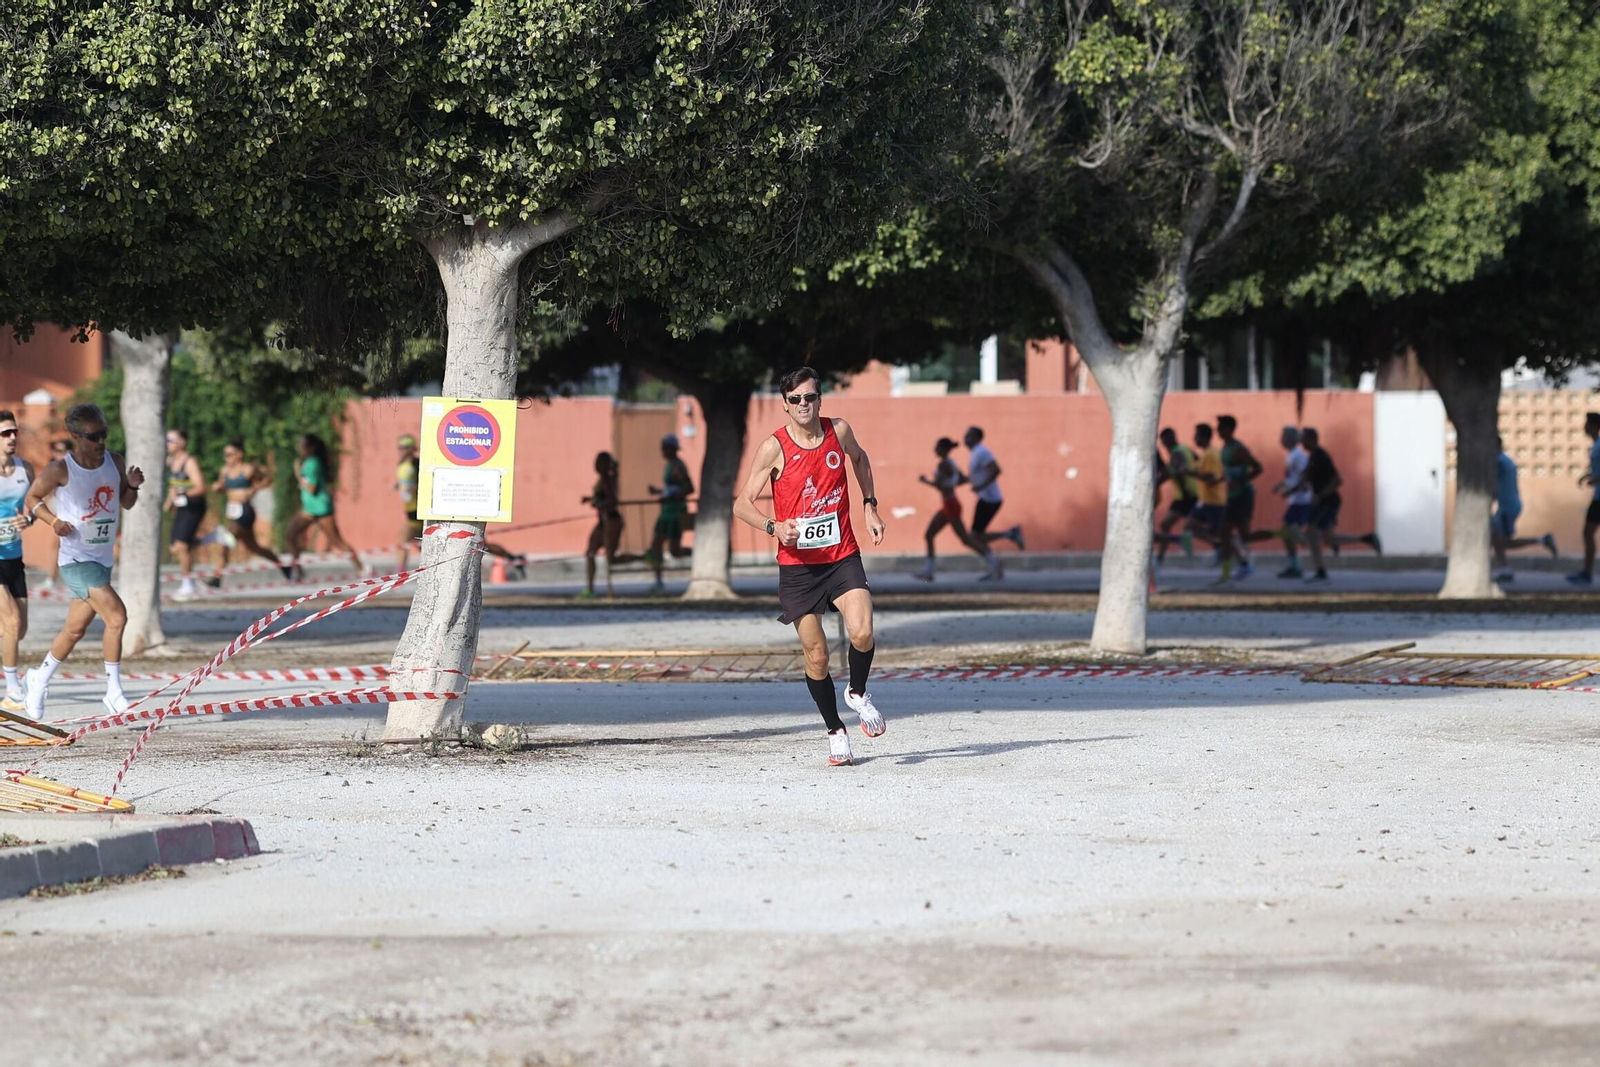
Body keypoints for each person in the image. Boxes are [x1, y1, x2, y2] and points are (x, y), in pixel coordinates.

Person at [733, 367, 886, 767]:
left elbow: (861, 459)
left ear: (820, 399)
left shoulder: (839, 430)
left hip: (841, 556)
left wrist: (870, 506)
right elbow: (741, 503)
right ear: (785, 404)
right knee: (816, 655)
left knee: (863, 630)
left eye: (811, 397)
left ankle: (857, 690)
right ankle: (836, 729)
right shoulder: (774, 447)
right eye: (796, 399)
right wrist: (773, 526)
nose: (805, 405)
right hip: (799, 566)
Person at [19, 403, 144, 719]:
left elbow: (126, 503)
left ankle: (38, 678)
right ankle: (113, 692)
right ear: (76, 436)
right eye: (93, 436)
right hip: (75, 560)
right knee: (117, 616)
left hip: (101, 559)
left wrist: (131, 485)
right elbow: (32, 499)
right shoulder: (60, 469)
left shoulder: (114, 462)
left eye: (104, 433)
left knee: (74, 631)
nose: (101, 441)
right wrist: (53, 521)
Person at [1300, 427, 1382, 584]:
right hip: (1324, 501)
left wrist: (1320, 495)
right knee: (1329, 538)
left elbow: (1337, 480)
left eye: (1303, 438)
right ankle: (1367, 538)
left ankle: (1321, 571)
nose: (1301, 442)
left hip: (1327, 502)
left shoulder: (1320, 455)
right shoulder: (1313, 457)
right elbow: (1309, 477)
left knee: (1311, 532)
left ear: (1311, 439)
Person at [286, 434, 367, 582]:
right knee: (291, 535)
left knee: (337, 541)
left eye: (303, 445)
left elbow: (311, 488)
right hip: (309, 508)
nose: (300, 448)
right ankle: (297, 572)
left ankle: (362, 569)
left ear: (311, 448)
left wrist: (298, 475)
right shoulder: (309, 462)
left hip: (321, 508)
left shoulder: (313, 463)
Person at [210, 440, 292, 579]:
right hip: (233, 511)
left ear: (239, 454)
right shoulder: (224, 471)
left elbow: (267, 479)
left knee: (226, 539)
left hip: (246, 511)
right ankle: (283, 566)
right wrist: (218, 487)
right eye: (225, 455)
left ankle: (217, 578)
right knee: (254, 547)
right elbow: (223, 486)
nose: (227, 458)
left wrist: (253, 489)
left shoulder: (248, 469)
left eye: (230, 454)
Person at [913, 437, 987, 581]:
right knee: (929, 535)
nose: (935, 449)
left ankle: (993, 561)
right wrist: (950, 483)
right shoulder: (951, 463)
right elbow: (963, 479)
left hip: (951, 505)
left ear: (943, 449)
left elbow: (940, 486)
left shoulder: (943, 465)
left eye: (937, 447)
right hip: (950, 504)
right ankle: (929, 572)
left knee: (965, 539)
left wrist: (926, 481)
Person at [0, 412, 35, 712]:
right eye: (4, 433)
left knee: (19, 628)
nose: (12, 438)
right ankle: (12, 690)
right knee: (10, 622)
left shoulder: (26, 469)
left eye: (14, 432)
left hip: (13, 556)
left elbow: (37, 502)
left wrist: (30, 518)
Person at [1491, 436, 1557, 582]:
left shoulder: (1499, 462)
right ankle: (1504, 568)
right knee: (1495, 538)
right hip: (1509, 505)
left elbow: (1494, 486)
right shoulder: (1505, 460)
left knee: (1502, 542)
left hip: (1507, 507)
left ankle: (1541, 540)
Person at [163, 428, 219, 599]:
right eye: (167, 439)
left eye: (172, 440)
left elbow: (200, 487)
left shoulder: (189, 461)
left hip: (194, 506)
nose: (168, 443)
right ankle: (211, 538)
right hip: (181, 506)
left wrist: (183, 495)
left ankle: (188, 585)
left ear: (182, 442)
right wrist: (168, 504)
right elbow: (174, 485)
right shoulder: (170, 460)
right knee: (175, 547)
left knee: (182, 546)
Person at [963, 426, 1023, 580]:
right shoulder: (975, 454)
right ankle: (995, 563)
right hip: (985, 498)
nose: (965, 438)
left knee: (974, 536)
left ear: (977, 437)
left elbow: (996, 470)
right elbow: (974, 476)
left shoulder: (982, 452)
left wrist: (982, 486)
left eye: (969, 435)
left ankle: (1008, 538)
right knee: (976, 536)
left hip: (990, 498)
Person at [643, 433, 694, 594]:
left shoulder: (678, 466)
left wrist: (670, 496)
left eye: (665, 447)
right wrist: (660, 492)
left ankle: (700, 555)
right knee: (656, 545)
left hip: (675, 512)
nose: (662, 451)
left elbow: (688, 487)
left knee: (674, 550)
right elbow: (672, 487)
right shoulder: (670, 465)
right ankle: (658, 581)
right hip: (667, 512)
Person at [1215, 415, 1263, 582]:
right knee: (1228, 533)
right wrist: (1219, 480)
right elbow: (1228, 472)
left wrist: (1241, 481)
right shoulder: (1225, 448)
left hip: (1243, 496)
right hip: (1232, 497)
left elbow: (1258, 468)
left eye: (1221, 427)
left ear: (1229, 429)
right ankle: (1229, 572)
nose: (1218, 430)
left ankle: (1284, 534)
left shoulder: (1238, 448)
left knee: (1240, 535)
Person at [580, 451, 624, 599]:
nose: (596, 465)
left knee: (611, 558)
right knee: (590, 552)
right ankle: (590, 588)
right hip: (602, 521)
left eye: (599, 462)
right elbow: (601, 496)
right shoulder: (602, 479)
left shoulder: (606, 479)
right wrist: (590, 499)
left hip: (611, 520)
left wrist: (599, 503)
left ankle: (642, 558)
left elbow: (612, 500)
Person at [1154, 428, 1200, 563]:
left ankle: (1220, 543)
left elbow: (1173, 473)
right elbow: (1197, 459)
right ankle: (1160, 558)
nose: (1165, 445)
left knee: (1195, 526)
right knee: (1165, 525)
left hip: (1187, 495)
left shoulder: (1176, 454)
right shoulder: (1184, 449)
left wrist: (1155, 483)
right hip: (1183, 496)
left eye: (1166, 442)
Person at [1568, 412, 1600, 586]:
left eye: (1587, 423)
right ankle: (1586, 572)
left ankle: (1587, 573)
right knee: (1587, 534)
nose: (1584, 427)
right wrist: (1587, 476)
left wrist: (1594, 479)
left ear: (1594, 425)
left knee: (1587, 533)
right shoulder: (1595, 445)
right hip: (1597, 497)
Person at [1190, 423, 1228, 559]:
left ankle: (1227, 549)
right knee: (1191, 525)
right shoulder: (1207, 453)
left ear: (1204, 437)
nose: (1194, 439)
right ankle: (1219, 546)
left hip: (1213, 500)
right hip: (1205, 500)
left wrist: (1190, 473)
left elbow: (1212, 478)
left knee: (1217, 532)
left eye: (1196, 436)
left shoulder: (1211, 454)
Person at [395, 434, 424, 572]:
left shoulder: (417, 464)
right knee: (422, 544)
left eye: (404, 448)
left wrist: (415, 487)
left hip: (417, 510)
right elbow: (405, 481)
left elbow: (425, 484)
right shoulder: (402, 464)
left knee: (403, 540)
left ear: (412, 449)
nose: (400, 450)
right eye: (399, 447)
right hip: (409, 508)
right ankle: (433, 568)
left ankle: (400, 572)